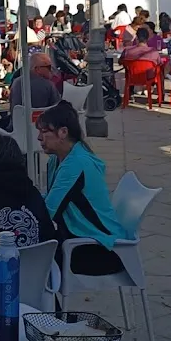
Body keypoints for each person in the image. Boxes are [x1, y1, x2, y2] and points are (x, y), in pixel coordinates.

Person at [37, 102, 131, 275]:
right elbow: (50, 201)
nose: (39, 138)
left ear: (63, 132)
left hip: (101, 249)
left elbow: (48, 212)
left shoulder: (75, 164)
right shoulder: (58, 159)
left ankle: (46, 301)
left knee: (32, 259)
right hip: (83, 238)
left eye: (44, 132)